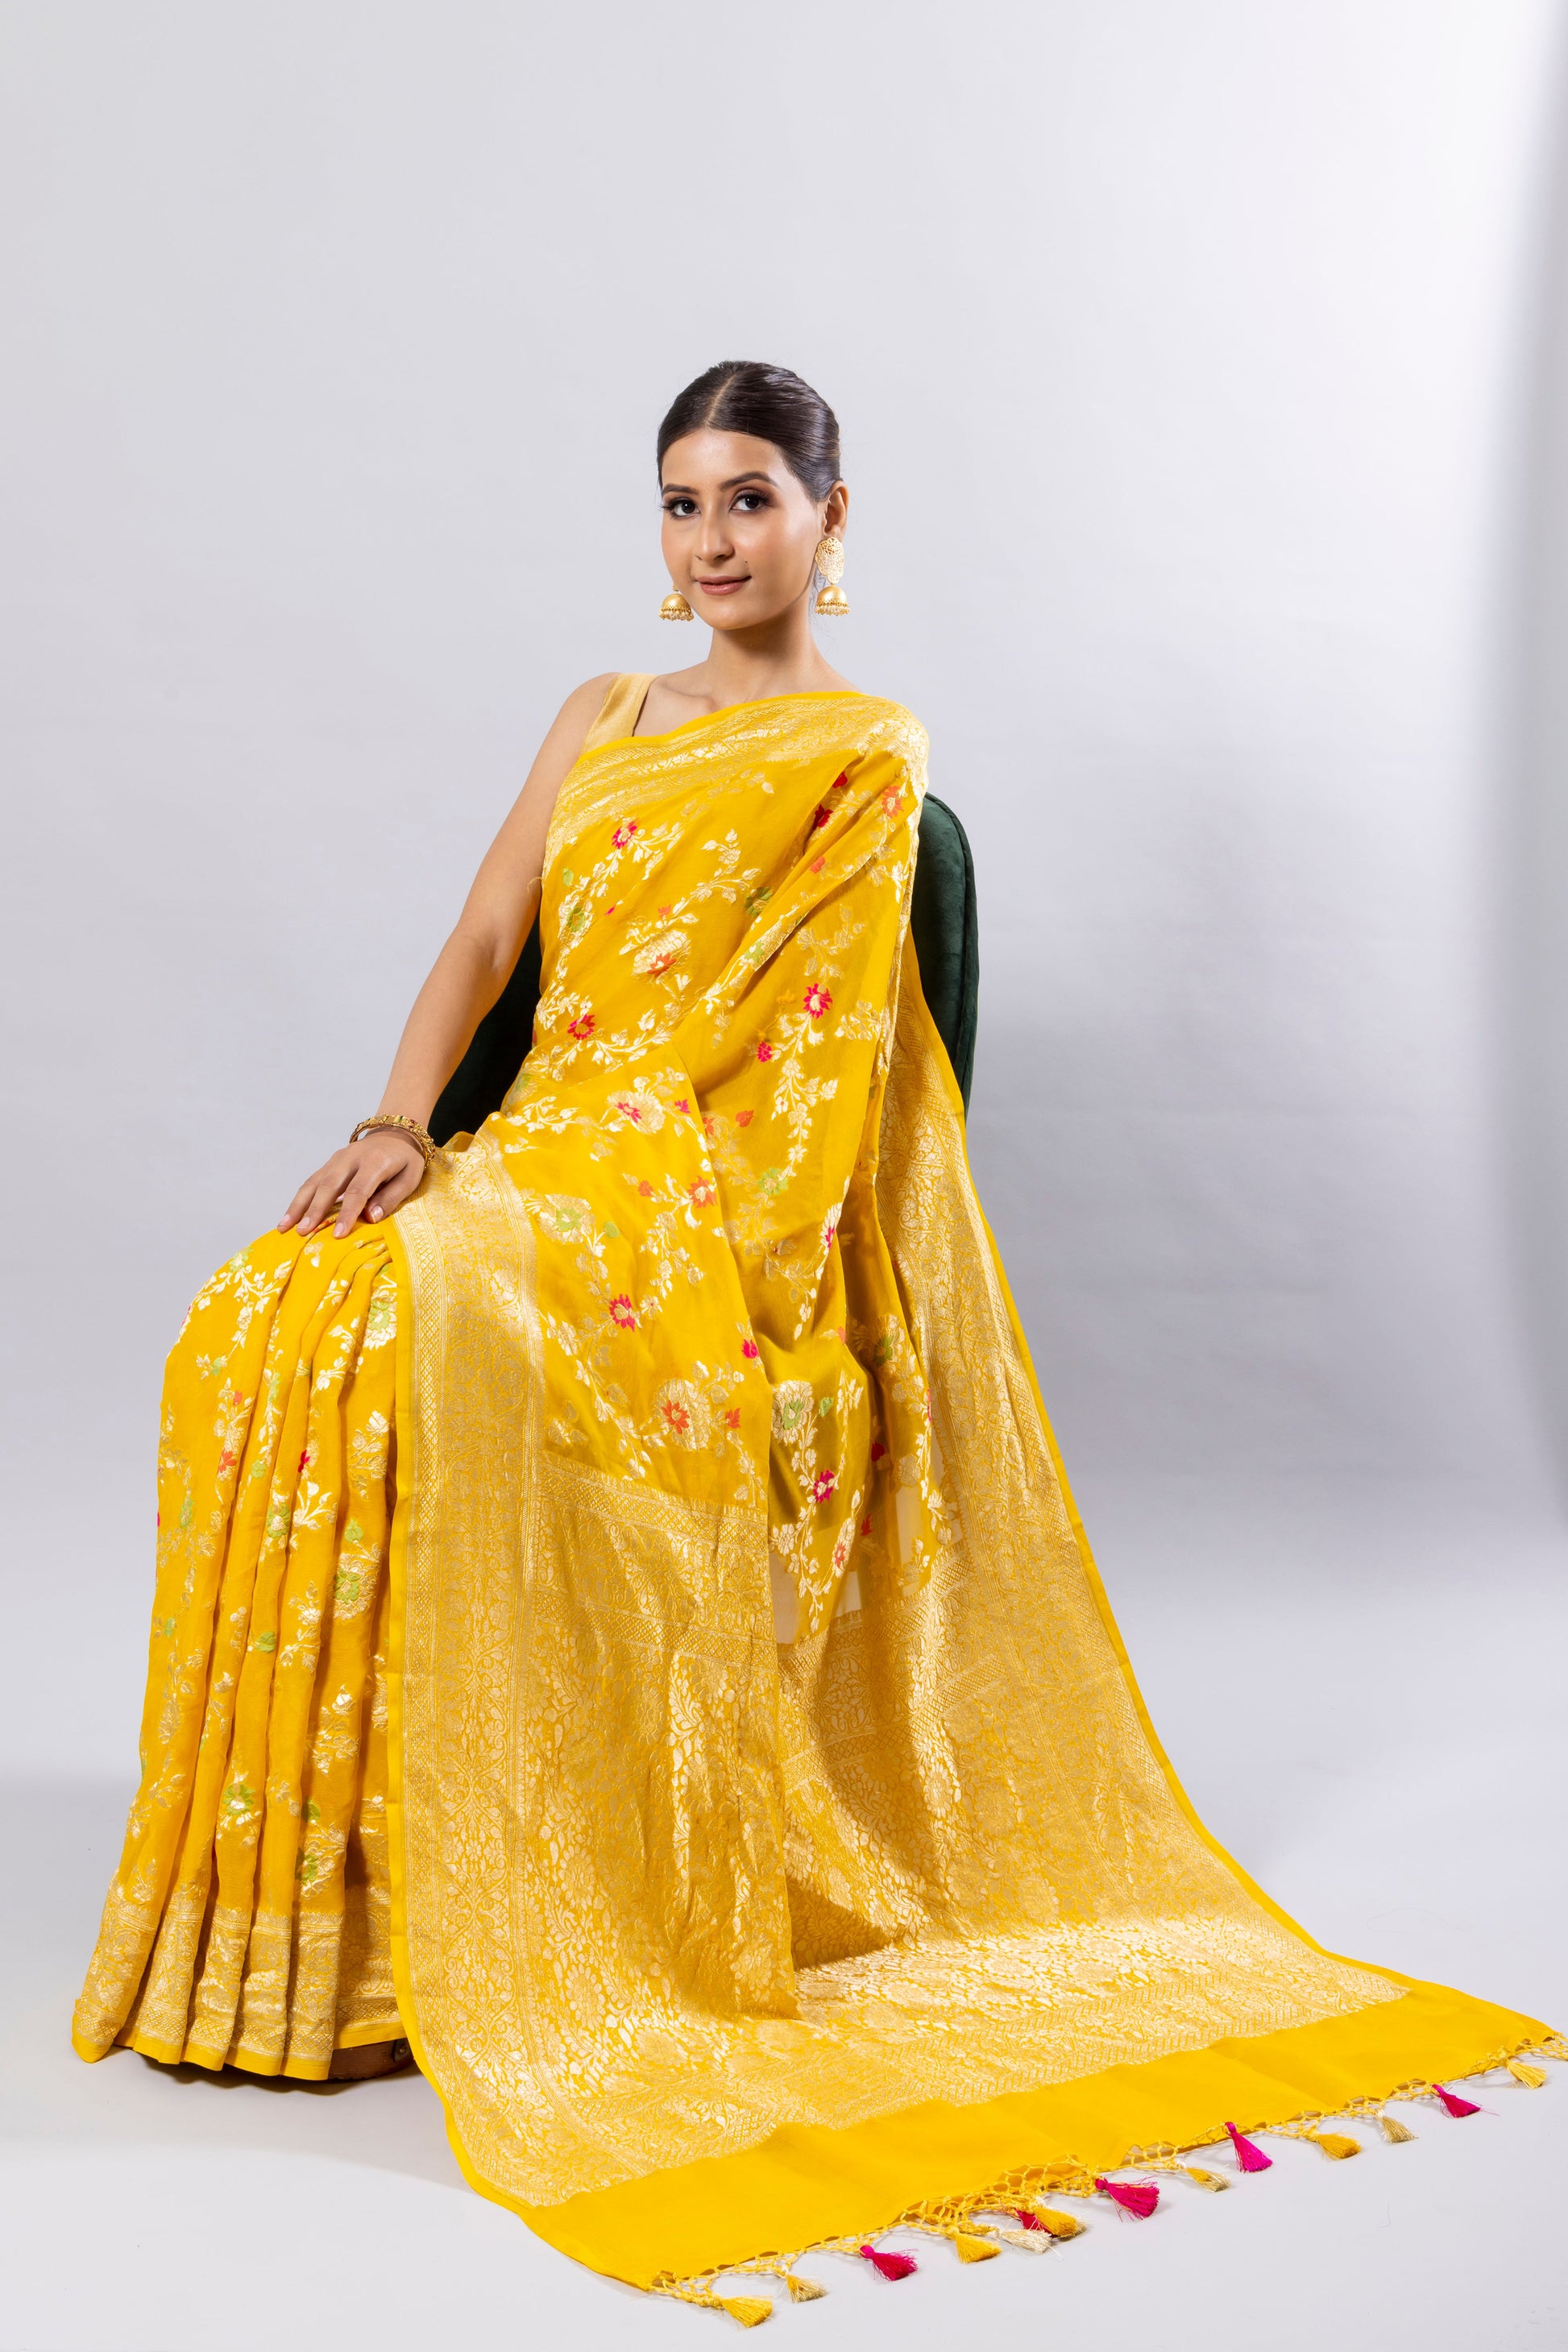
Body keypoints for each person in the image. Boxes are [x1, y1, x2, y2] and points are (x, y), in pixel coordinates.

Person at [75, 362, 1556, 2317]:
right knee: (268, 1311)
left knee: (411, 1320)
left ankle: (477, 1928)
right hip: (534, 1146)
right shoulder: (598, 711)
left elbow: (814, 1075)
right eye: (682, 503)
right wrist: (400, 1123)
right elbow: (487, 938)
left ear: (830, 519)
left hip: (695, 1192)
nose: (712, 540)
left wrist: (695, 1225)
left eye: (751, 499)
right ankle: (303, 1941)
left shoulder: (866, 755)